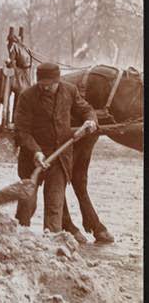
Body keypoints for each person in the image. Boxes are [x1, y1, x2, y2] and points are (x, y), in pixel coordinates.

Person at [14, 62, 98, 237]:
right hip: (32, 158)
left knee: (55, 204)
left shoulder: (70, 91)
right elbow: (22, 131)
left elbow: (86, 109)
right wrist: (36, 151)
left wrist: (90, 121)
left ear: (58, 81)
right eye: (42, 84)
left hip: (60, 158)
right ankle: (20, 237)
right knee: (27, 203)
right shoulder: (27, 97)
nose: (45, 88)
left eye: (49, 85)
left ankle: (53, 239)